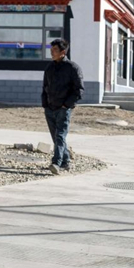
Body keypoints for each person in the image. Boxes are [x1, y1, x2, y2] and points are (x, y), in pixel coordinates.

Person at [42, 39, 84, 175]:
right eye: (51, 50)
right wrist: (45, 104)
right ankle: (65, 162)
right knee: (56, 137)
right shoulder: (49, 68)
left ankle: (56, 163)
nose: (51, 53)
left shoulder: (73, 68)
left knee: (60, 135)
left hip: (63, 108)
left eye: (54, 50)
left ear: (63, 52)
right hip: (50, 108)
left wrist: (67, 105)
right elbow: (45, 87)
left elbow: (79, 90)